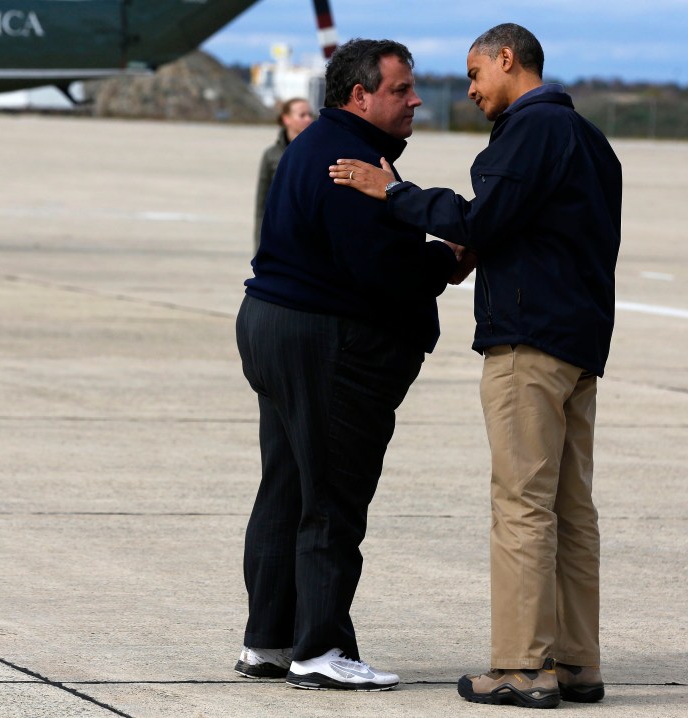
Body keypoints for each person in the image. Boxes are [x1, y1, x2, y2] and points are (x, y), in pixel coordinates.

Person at [329, 22, 621, 709]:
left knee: (521, 505)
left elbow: (482, 221)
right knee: (571, 511)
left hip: (529, 344)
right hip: (581, 346)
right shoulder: (592, 141)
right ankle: (577, 663)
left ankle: (520, 668)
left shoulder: (531, 130)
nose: (469, 90)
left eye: (474, 73)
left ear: (508, 60)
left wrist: (393, 193)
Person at [234, 38, 470, 692]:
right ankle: (321, 646)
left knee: (286, 487)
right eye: (401, 89)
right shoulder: (351, 162)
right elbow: (382, 272)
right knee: (333, 494)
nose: (415, 99)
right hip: (325, 340)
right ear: (358, 96)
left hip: (272, 324)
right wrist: (447, 259)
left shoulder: (313, 146)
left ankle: (269, 640)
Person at [253, 98, 314, 252]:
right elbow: (262, 206)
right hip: (280, 238)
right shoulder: (271, 155)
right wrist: (260, 247)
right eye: (302, 115)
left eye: (310, 114)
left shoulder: (319, 152)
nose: (309, 119)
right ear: (287, 119)